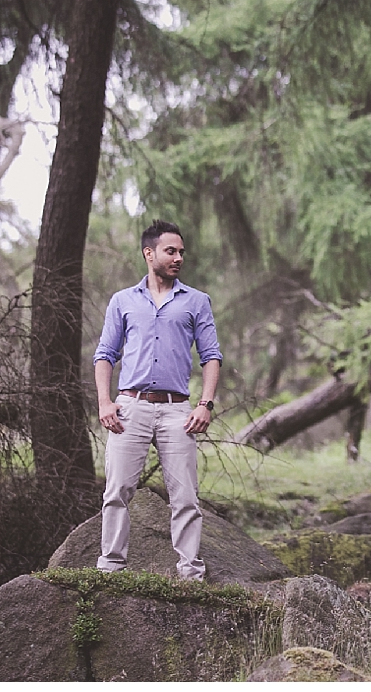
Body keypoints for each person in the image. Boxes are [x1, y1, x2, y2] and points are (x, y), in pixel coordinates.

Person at [92, 219, 221, 582]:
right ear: (149, 253)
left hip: (178, 410)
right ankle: (111, 569)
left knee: (185, 497)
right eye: (171, 251)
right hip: (129, 407)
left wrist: (205, 404)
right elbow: (105, 354)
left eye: (181, 252)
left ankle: (190, 575)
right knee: (117, 490)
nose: (179, 257)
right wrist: (104, 402)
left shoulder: (197, 301)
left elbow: (211, 356)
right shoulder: (123, 301)